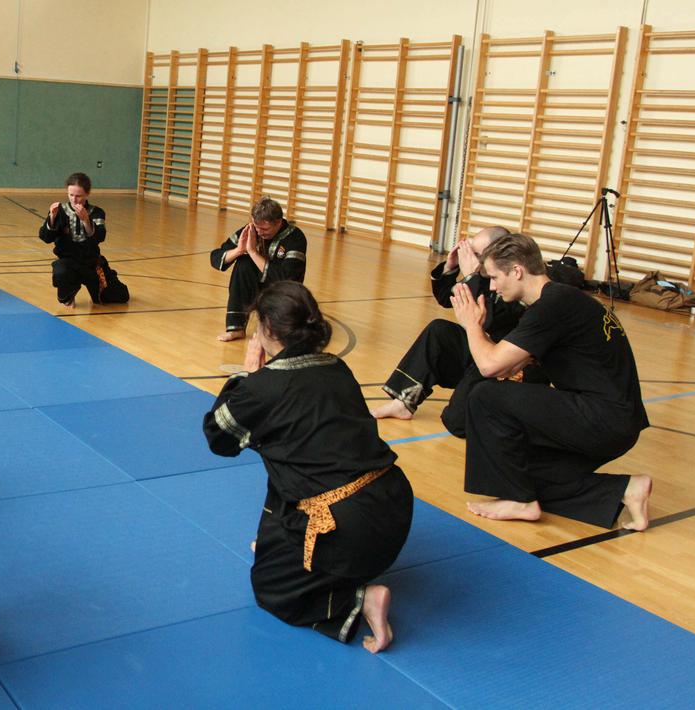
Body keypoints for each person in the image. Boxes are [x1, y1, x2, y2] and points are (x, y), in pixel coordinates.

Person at [203, 281, 413, 653]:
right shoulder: (336, 365)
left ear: (267, 330)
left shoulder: (265, 387)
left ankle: (359, 599)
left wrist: (247, 377)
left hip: (345, 525)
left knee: (270, 589)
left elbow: (219, 436)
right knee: (288, 462)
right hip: (393, 507)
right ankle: (287, 548)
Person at [451, 233, 652, 530]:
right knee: (522, 473)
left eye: (494, 277)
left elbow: (490, 367)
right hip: (616, 422)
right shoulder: (560, 299)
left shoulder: (552, 306)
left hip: (602, 419)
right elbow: (511, 364)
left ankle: (521, 501)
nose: (491, 286)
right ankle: (625, 490)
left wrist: (471, 324)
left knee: (484, 396)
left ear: (517, 271)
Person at [370, 225, 529, 436]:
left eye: (476, 255)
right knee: (439, 330)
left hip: (505, 364)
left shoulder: (515, 282)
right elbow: (447, 298)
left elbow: (488, 319)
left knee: (457, 423)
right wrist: (451, 268)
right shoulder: (486, 277)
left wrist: (472, 275)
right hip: (481, 350)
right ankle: (404, 402)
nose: (471, 258)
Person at [209, 197, 307, 341]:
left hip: (285, 292)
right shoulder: (251, 230)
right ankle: (236, 328)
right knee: (243, 263)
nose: (260, 232)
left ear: (278, 222)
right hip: (255, 287)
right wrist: (239, 250)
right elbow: (215, 257)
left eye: (265, 228)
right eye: (257, 227)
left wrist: (253, 252)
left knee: (276, 335)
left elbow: (286, 277)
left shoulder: (295, 237)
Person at [38, 172, 129, 308]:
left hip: (91, 264)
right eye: (71, 195)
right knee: (61, 274)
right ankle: (70, 292)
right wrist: (52, 217)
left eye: (78, 196)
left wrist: (86, 220)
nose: (74, 200)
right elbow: (46, 237)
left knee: (121, 296)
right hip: (68, 263)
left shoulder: (96, 212)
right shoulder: (60, 211)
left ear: (87, 194)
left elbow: (100, 237)